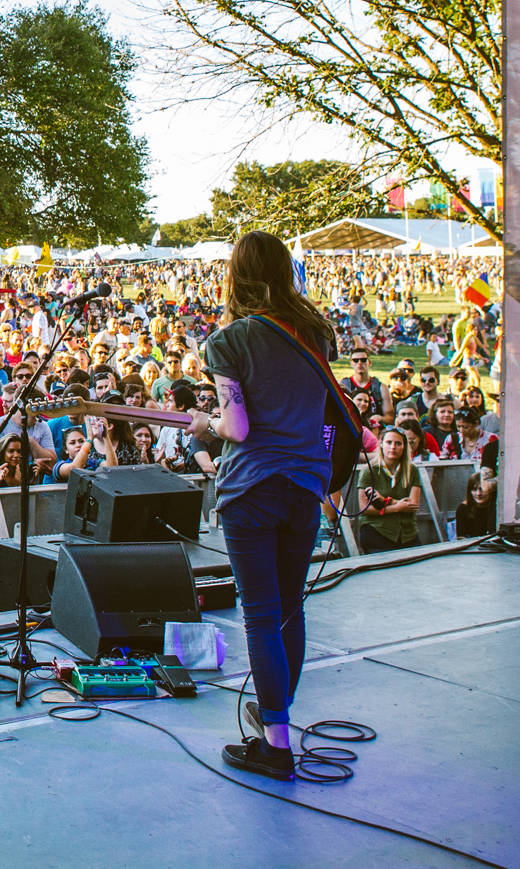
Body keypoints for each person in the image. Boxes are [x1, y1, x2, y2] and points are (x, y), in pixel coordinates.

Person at [186, 231, 353, 783]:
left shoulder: (229, 340)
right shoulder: (315, 333)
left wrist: (204, 423)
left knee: (259, 614)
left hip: (252, 487)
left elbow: (236, 427)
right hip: (306, 486)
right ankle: (276, 713)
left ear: (236, 274)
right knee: (289, 609)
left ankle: (275, 745)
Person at [353, 427, 420, 553]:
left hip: (408, 534)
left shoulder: (412, 470)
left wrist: (385, 500)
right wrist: (397, 507)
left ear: (404, 446)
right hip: (378, 531)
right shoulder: (368, 471)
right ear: (381, 444)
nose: (393, 447)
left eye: (398, 443)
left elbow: (412, 505)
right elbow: (365, 509)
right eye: (389, 442)